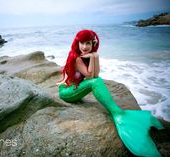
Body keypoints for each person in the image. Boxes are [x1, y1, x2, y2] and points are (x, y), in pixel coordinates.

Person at [57, 29, 164, 157]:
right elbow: (91, 77)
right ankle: (118, 114)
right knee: (95, 82)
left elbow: (96, 74)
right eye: (82, 43)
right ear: (77, 43)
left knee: (97, 80)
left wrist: (95, 56)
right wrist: (92, 56)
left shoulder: (87, 55)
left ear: (93, 44)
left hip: (75, 87)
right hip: (66, 92)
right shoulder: (76, 58)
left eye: (88, 43)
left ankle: (118, 113)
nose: (84, 47)